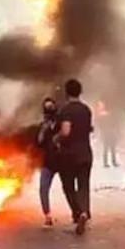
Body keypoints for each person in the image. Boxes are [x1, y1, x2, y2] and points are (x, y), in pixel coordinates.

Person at [56, 79, 94, 235]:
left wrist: (56, 138)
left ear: (66, 92)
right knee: (83, 185)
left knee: (68, 186)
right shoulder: (86, 110)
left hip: (69, 155)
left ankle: (77, 213)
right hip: (86, 153)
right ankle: (84, 211)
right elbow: (89, 128)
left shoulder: (66, 110)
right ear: (80, 92)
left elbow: (66, 131)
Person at [36, 97, 60, 227]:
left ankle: (78, 213)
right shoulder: (43, 126)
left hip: (62, 161)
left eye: (51, 107)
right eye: (47, 108)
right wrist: (44, 129)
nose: (49, 111)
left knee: (69, 188)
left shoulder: (61, 123)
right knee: (43, 189)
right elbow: (39, 142)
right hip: (48, 162)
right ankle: (47, 216)